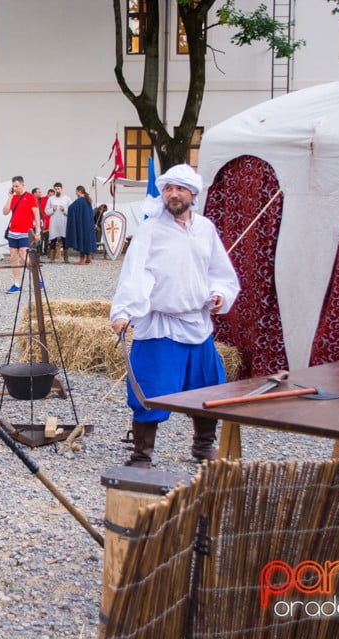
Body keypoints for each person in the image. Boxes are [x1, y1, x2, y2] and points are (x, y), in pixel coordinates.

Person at [109, 164, 240, 468]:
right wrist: (124, 311)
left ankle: (203, 446)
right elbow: (134, 274)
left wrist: (220, 293)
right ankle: (142, 455)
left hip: (197, 324)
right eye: (168, 188)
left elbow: (220, 272)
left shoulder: (205, 228)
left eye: (180, 188)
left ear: (193, 193)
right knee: (151, 389)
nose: (173, 194)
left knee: (208, 387)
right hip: (160, 324)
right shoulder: (150, 230)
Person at [2, 176, 41, 293]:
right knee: (13, 258)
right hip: (13, 232)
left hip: (25, 232)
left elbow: (37, 215)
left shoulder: (30, 197)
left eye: (17, 186)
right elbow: (5, 212)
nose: (15, 188)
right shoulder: (13, 197)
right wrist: (9, 197)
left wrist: (38, 232)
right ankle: (17, 283)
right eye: (13, 186)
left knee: (24, 256)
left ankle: (37, 278)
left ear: (23, 185)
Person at [65, 185, 97, 265]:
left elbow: (71, 208)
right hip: (88, 225)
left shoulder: (79, 201)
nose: (76, 193)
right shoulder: (88, 201)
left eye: (76, 191)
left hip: (82, 225)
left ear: (79, 191)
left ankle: (82, 260)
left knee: (82, 241)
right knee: (87, 240)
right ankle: (88, 257)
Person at [44, 182, 71, 262]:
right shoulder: (51, 199)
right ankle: (52, 258)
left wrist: (65, 210)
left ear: (61, 189)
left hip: (63, 223)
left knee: (65, 240)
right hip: (54, 223)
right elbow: (46, 211)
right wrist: (53, 209)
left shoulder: (67, 198)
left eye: (58, 189)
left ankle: (66, 259)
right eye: (55, 189)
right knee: (53, 240)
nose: (57, 190)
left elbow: (72, 210)